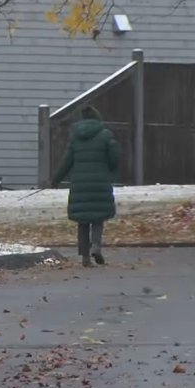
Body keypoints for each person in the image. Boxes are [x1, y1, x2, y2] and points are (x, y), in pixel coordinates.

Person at [51, 105, 121, 267]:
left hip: (80, 184)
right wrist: (110, 170)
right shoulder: (106, 135)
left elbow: (66, 161)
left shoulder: (75, 137)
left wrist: (55, 180)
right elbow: (115, 158)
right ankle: (96, 246)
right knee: (98, 219)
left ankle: (85, 258)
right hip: (100, 182)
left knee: (82, 221)